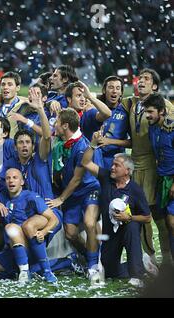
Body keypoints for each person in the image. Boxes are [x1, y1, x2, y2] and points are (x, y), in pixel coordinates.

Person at [82, 134, 152, 286]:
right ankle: (142, 265)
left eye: (116, 165)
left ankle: (137, 274)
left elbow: (147, 217)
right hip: (110, 234)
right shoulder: (106, 177)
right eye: (112, 164)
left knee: (132, 227)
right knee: (110, 272)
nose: (112, 167)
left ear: (127, 171)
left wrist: (129, 217)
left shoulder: (135, 190)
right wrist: (93, 145)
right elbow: (86, 162)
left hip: (127, 230)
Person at [0, 168, 61, 284]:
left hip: (29, 248)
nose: (11, 181)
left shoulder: (31, 197)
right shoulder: (2, 197)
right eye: (8, 178)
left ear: (22, 182)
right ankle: (14, 274)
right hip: (12, 250)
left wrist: (43, 232)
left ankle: (35, 271)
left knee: (11, 227)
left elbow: (54, 219)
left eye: (15, 178)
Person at [122, 68, 174, 265]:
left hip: (156, 169)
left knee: (159, 217)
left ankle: (167, 258)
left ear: (154, 86)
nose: (141, 81)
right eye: (139, 78)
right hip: (136, 166)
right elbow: (107, 97)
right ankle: (150, 257)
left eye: (146, 79)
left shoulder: (165, 107)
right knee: (140, 213)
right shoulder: (131, 103)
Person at [47, 108, 101, 283]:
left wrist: (60, 199)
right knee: (70, 233)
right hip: (73, 194)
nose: (54, 124)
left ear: (65, 126)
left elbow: (77, 179)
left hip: (88, 190)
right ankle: (90, 257)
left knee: (89, 223)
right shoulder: (62, 143)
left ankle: (93, 267)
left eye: (56, 122)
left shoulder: (82, 147)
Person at [144, 93, 174, 261]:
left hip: (172, 180)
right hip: (162, 180)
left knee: (172, 221)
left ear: (162, 111)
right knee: (165, 224)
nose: (147, 115)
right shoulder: (153, 128)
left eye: (150, 111)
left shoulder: (172, 128)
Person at [96, 76, 131, 169]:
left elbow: (133, 143)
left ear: (121, 92)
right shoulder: (94, 109)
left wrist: (109, 141)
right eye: (111, 87)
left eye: (118, 88)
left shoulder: (126, 112)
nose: (114, 91)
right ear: (104, 90)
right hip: (94, 158)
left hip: (115, 162)